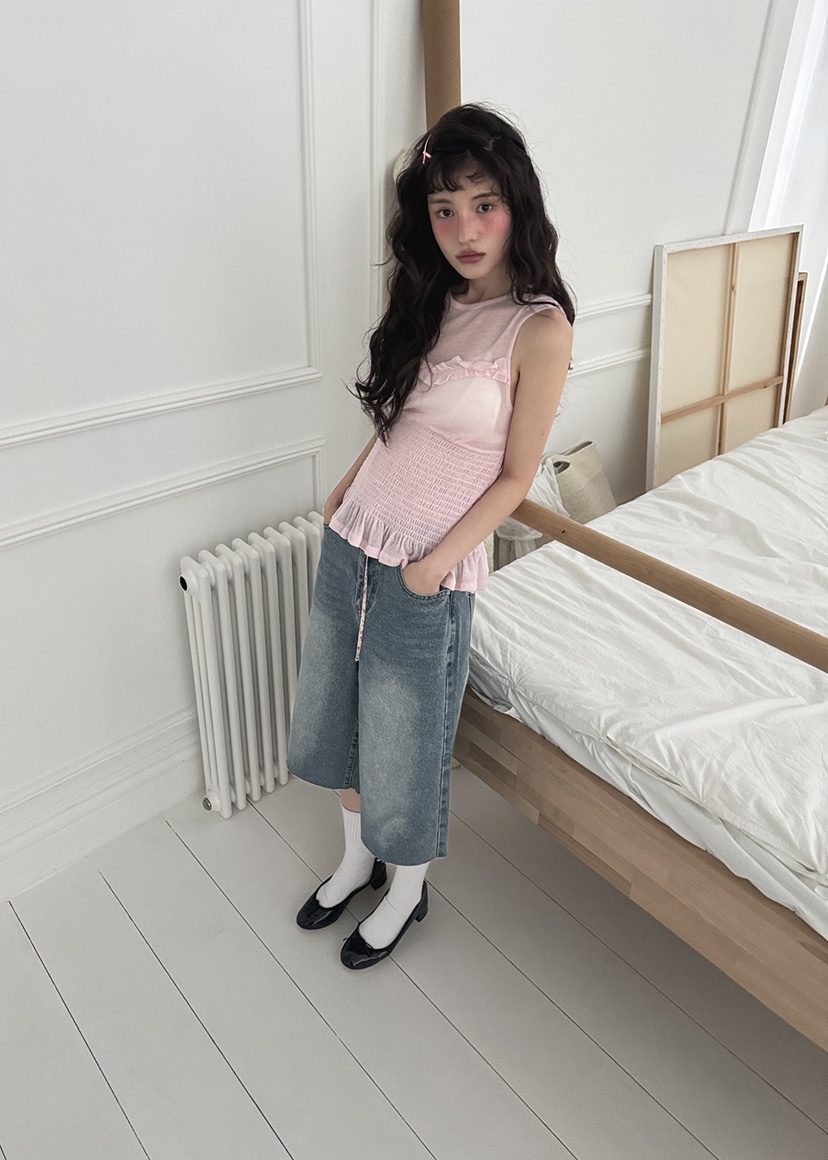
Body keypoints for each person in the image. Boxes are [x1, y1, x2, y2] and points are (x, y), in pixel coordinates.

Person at [286, 103, 574, 969]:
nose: (464, 230)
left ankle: (406, 892)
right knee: (339, 713)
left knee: (404, 739)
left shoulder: (539, 328)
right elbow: (398, 421)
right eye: (444, 210)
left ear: (517, 204)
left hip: (428, 568)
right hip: (356, 537)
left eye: (483, 205)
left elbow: (516, 477)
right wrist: (345, 488)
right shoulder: (430, 299)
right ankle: (354, 862)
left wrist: (433, 567)